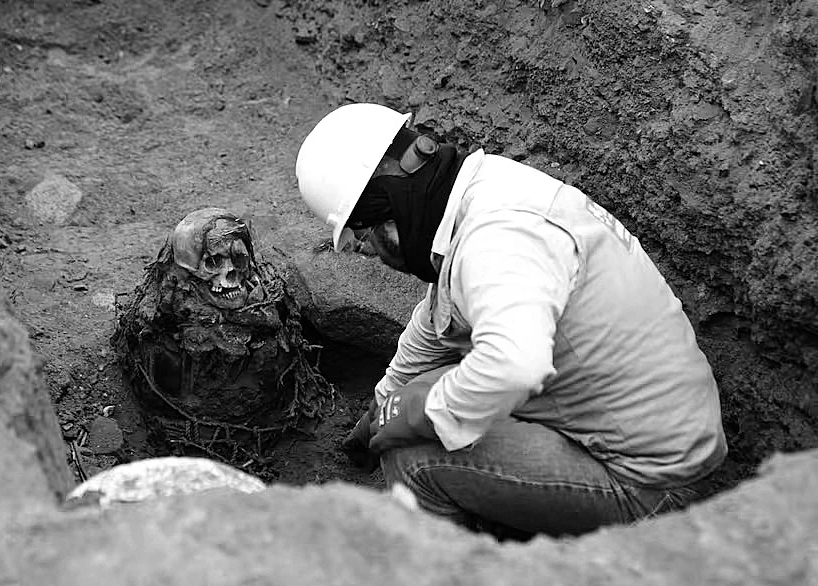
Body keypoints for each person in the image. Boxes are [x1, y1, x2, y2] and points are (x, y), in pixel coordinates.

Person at [295, 102, 727, 539]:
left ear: (390, 204)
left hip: (652, 485)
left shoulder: (500, 238)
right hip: (648, 436)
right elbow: (439, 317)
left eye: (364, 234)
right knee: (444, 390)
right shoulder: (483, 193)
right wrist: (383, 401)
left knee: (413, 456)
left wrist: (420, 411)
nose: (366, 250)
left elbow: (514, 365)